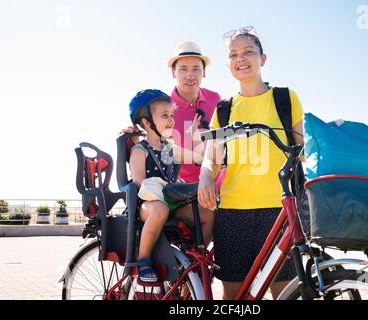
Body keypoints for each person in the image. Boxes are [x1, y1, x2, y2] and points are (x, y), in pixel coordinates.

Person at [197, 26, 305, 299]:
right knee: (235, 295)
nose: (240, 58)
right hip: (232, 213)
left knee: (283, 293)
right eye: (233, 54)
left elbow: (303, 149)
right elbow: (212, 160)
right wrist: (206, 177)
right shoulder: (224, 109)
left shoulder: (286, 99)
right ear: (228, 63)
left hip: (278, 211)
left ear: (263, 59)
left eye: (248, 52)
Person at [128, 89, 214, 283]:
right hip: (147, 204)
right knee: (160, 209)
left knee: (208, 211)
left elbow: (199, 158)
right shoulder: (139, 150)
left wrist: (194, 138)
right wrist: (162, 190)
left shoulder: (169, 148)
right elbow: (139, 185)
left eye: (172, 115)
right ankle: (143, 260)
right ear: (147, 122)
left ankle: (195, 256)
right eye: (165, 115)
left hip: (171, 201)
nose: (171, 120)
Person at [123, 41, 221, 183]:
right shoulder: (162, 109)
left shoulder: (215, 99)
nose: (190, 75)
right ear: (173, 72)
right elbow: (152, 147)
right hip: (179, 188)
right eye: (183, 69)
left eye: (196, 69)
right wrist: (132, 138)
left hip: (217, 182)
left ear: (204, 72)